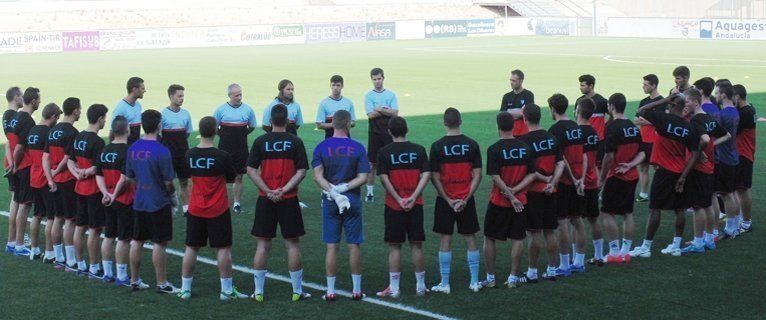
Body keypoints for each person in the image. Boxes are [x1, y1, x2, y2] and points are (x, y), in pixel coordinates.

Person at [178, 116, 248, 300]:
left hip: (195, 209)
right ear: (216, 131)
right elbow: (232, 178)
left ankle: (185, 289)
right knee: (223, 248)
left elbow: (186, 178)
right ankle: (226, 290)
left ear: (199, 131)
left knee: (191, 248)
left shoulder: (189, 154)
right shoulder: (222, 156)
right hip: (218, 208)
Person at [247, 105, 310, 302]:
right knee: (292, 245)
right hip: (289, 199)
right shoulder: (295, 142)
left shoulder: (260, 141)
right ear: (288, 121)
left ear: (270, 122)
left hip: (265, 200)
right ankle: (297, 291)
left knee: (263, 245)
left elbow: (250, 169)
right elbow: (301, 171)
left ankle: (258, 292)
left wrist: (268, 191)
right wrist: (284, 190)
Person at [630, 94, 700, 258]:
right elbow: (695, 154)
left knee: (655, 209)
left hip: (663, 172)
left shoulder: (662, 119)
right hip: (680, 172)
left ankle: (646, 247)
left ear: (672, 104)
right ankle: (676, 245)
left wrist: (663, 100)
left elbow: (641, 111)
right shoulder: (689, 127)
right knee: (679, 209)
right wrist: (683, 177)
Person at [311, 110, 370, 302]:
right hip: (351, 199)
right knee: (354, 246)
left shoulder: (321, 147)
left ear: (333, 124)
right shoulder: (358, 147)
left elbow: (317, 176)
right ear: (347, 124)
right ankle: (356, 290)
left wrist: (333, 191)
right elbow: (363, 177)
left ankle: (330, 291)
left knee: (332, 247)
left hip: (329, 200)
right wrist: (344, 188)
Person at [374, 116, 430, 298]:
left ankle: (395, 288)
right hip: (416, 204)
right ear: (407, 130)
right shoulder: (419, 150)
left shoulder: (384, 152)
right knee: (416, 245)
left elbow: (384, 178)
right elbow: (426, 175)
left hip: (394, 205)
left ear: (390, 132)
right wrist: (413, 197)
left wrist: (399, 199)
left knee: (395, 246)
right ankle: (421, 286)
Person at [429, 108, 483, 294]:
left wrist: (448, 199)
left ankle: (445, 283)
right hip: (466, 199)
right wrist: (466, 198)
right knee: (470, 237)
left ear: (444, 122)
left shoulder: (436, 146)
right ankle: (474, 281)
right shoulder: (472, 144)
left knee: (445, 238)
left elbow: (434, 177)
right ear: (461, 121)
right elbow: (478, 174)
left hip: (445, 200)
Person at [125, 109, 179, 293]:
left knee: (137, 240)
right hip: (159, 202)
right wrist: (173, 198)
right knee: (159, 242)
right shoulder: (162, 151)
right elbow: (168, 183)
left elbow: (129, 178)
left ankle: (134, 280)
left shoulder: (132, 149)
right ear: (158, 126)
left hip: (140, 201)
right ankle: (162, 283)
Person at [481, 112, 535, 289]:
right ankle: (513, 278)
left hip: (499, 201)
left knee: (489, 237)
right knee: (518, 238)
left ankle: (490, 278)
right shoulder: (525, 148)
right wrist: (516, 192)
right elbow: (532, 174)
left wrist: (509, 195)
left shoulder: (494, 149)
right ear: (513, 126)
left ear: (498, 127)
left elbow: (495, 178)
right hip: (521, 202)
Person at [518, 104, 565, 281]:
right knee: (550, 231)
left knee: (534, 232)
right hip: (551, 191)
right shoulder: (552, 138)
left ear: (525, 119)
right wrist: (552, 183)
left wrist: (543, 179)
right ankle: (552, 269)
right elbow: (560, 164)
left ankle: (532, 272)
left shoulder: (523, 141)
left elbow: (527, 172)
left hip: (534, 192)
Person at [681, 89, 729, 254]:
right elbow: (727, 135)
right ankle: (709, 239)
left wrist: (700, 150)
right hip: (710, 167)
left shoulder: (696, 121)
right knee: (708, 203)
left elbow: (706, 139)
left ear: (695, 102)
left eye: (686, 101)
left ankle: (698, 242)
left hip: (699, 168)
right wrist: (710, 148)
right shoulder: (709, 118)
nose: (684, 104)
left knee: (698, 207)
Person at [599, 93, 644, 263]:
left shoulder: (611, 127)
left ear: (611, 106)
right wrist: (631, 165)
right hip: (632, 176)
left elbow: (609, 156)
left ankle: (614, 252)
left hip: (616, 175)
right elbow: (642, 153)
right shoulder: (633, 126)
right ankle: (626, 251)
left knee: (607, 213)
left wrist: (602, 178)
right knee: (627, 213)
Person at [547, 93, 587, 274]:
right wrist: (581, 180)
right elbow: (584, 155)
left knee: (562, 222)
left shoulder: (555, 130)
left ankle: (564, 264)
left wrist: (572, 179)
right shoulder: (577, 127)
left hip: (565, 181)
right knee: (577, 220)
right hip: (578, 180)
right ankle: (579, 261)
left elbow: (561, 159)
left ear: (553, 109)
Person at [67, 104, 108, 277]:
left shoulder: (78, 136)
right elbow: (98, 168)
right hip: (92, 189)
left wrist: (77, 173)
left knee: (79, 226)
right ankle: (94, 266)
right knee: (95, 229)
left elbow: (70, 160)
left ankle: (80, 263)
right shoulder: (98, 142)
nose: (106, 120)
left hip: (79, 188)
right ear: (99, 119)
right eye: (105, 117)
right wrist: (86, 172)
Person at [95, 116, 136, 284]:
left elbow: (98, 174)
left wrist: (106, 193)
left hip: (107, 199)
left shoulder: (105, 149)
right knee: (124, 238)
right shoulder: (128, 150)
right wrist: (114, 195)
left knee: (109, 235)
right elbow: (124, 178)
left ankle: (107, 273)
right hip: (123, 199)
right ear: (127, 129)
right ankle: (121, 275)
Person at [42, 97, 81, 268]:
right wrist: (57, 172)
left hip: (54, 182)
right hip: (67, 181)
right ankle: (71, 259)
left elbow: (46, 157)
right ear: (74, 111)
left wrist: (50, 178)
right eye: (79, 109)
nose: (80, 112)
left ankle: (58, 257)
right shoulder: (73, 133)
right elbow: (68, 159)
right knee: (70, 220)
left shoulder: (52, 130)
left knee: (57, 218)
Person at [213, 84, 257, 215]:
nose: (239, 97)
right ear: (229, 95)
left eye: (240, 94)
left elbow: (252, 126)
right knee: (220, 176)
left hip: (241, 149)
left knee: (239, 176)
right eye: (236, 95)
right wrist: (227, 137)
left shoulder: (248, 110)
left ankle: (236, 204)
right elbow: (214, 128)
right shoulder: (220, 110)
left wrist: (239, 136)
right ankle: (219, 201)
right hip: (224, 149)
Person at [27, 103, 61, 261]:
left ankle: (34, 250)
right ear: (53, 116)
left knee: (37, 215)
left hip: (33, 177)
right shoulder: (49, 133)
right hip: (45, 178)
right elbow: (48, 157)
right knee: (52, 217)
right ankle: (49, 252)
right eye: (58, 117)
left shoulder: (32, 130)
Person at [10, 87, 42, 257]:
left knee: (19, 203)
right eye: (39, 99)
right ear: (34, 101)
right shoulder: (28, 121)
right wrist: (15, 166)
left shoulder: (16, 116)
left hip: (17, 166)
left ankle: (13, 241)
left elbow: (10, 144)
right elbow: (20, 148)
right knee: (25, 205)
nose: (40, 102)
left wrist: (13, 165)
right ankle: (20, 244)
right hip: (24, 167)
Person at [575, 99, 604, 266]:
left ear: (578, 110)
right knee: (594, 218)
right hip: (593, 180)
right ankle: (599, 255)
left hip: (580, 181)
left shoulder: (577, 132)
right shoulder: (593, 132)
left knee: (575, 220)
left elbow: (581, 158)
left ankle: (577, 258)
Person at [364, 68, 399, 203]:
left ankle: (392, 190)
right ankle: (370, 192)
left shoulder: (391, 94)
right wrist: (386, 109)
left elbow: (395, 113)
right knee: (372, 164)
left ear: (383, 78)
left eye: (379, 78)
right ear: (371, 79)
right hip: (374, 134)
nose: (377, 81)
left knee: (391, 163)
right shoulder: (368, 95)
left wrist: (378, 108)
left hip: (389, 134)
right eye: (374, 79)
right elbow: (370, 115)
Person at [714, 83, 741, 240]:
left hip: (724, 158)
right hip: (733, 155)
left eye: (717, 93)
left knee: (726, 194)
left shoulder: (724, 114)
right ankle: (735, 226)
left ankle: (730, 229)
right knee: (732, 193)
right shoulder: (734, 112)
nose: (716, 95)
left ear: (723, 94)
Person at [160, 84, 193, 215]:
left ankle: (186, 208)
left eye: (183, 96)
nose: (182, 98)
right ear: (171, 96)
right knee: (168, 181)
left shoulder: (186, 114)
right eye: (179, 96)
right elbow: (159, 135)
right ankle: (172, 205)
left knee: (184, 181)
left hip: (183, 154)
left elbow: (188, 132)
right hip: (168, 155)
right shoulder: (163, 114)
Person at [634, 74, 663, 202]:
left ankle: (661, 193)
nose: (643, 87)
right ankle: (643, 194)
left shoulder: (662, 102)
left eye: (646, 85)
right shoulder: (643, 102)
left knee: (658, 169)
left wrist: (646, 120)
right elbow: (636, 120)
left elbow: (662, 122)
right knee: (643, 167)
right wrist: (651, 120)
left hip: (656, 141)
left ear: (654, 85)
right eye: (643, 84)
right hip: (643, 140)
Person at [733, 84, 755, 234]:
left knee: (741, 189)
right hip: (743, 153)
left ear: (737, 96)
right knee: (738, 188)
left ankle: (746, 222)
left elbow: (733, 131)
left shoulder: (745, 112)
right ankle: (742, 219)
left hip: (743, 154)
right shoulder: (749, 109)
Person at [3, 86, 22, 254]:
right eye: (21, 95)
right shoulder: (11, 116)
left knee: (16, 199)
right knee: (17, 200)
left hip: (12, 162)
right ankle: (13, 239)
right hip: (14, 163)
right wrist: (12, 165)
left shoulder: (6, 115)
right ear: (16, 97)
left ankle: (13, 238)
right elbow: (9, 143)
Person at [576, 75, 609, 167]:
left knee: (598, 167)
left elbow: (614, 114)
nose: (580, 88)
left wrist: (606, 126)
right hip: (582, 138)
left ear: (591, 86)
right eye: (580, 85)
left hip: (598, 140)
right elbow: (577, 119)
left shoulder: (601, 101)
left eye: (583, 85)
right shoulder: (579, 101)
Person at [316, 75, 355, 139]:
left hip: (346, 139)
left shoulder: (348, 103)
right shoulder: (324, 103)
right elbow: (319, 125)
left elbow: (353, 122)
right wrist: (336, 124)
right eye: (333, 85)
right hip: (330, 138)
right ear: (330, 85)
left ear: (342, 86)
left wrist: (342, 124)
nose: (335, 88)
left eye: (338, 85)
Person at [500, 69, 534, 136]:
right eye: (510, 80)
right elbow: (502, 114)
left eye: (514, 81)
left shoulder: (528, 95)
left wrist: (509, 111)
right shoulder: (506, 96)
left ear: (521, 81)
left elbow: (527, 113)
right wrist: (519, 112)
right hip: (510, 133)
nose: (511, 82)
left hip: (525, 133)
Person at [112, 77, 145, 144]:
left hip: (134, 150)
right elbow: (112, 134)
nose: (144, 91)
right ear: (135, 89)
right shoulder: (120, 108)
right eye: (142, 88)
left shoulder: (138, 105)